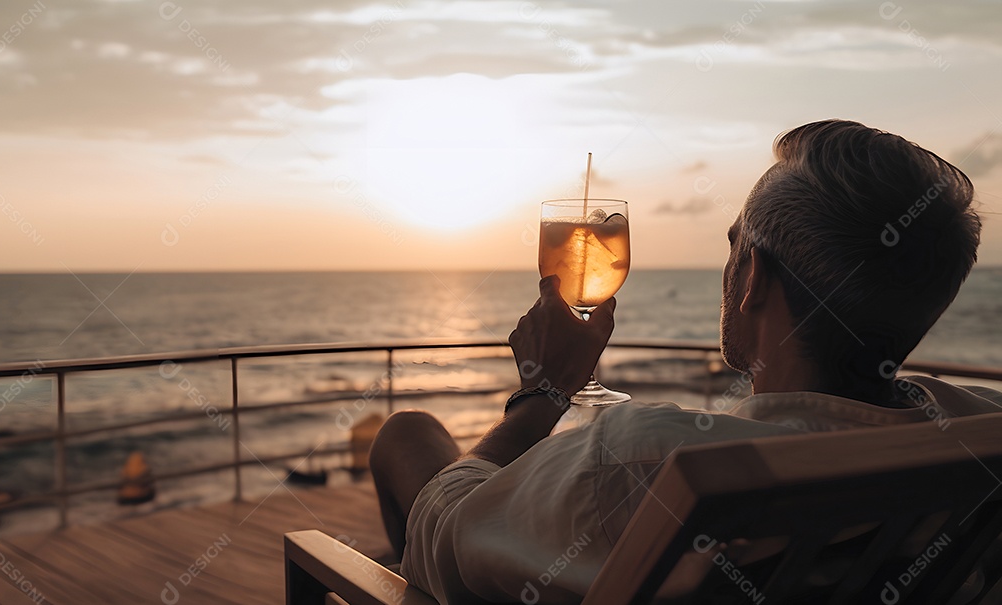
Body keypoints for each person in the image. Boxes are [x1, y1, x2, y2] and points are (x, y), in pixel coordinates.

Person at [369, 120, 1002, 603]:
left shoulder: (639, 460)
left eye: (734, 244)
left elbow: (437, 541)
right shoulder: (979, 429)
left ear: (750, 275)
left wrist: (541, 395)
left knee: (406, 434)